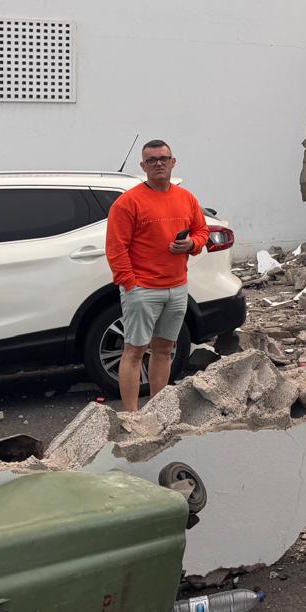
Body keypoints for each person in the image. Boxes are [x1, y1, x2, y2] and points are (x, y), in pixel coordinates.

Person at [105, 139, 208, 411]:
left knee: (164, 350)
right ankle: (131, 416)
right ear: (143, 166)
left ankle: (156, 411)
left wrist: (192, 244)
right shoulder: (128, 203)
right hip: (143, 289)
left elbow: (202, 231)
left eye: (164, 158)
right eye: (152, 160)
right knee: (135, 351)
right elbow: (116, 249)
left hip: (177, 287)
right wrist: (130, 285)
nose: (159, 164)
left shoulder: (186, 198)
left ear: (173, 162)